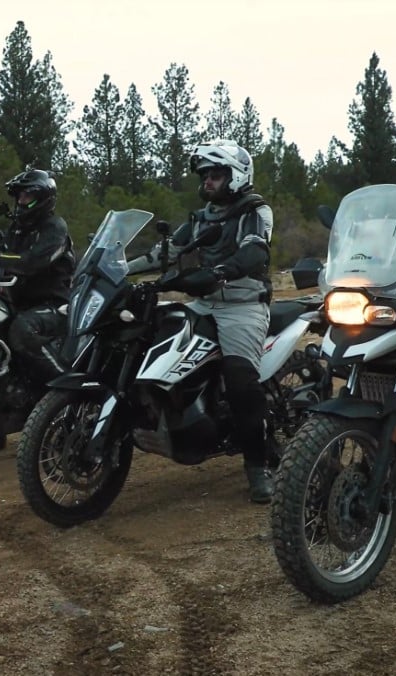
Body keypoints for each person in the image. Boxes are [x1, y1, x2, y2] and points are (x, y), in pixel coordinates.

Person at [129, 140, 276, 503]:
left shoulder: (255, 211)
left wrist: (220, 272)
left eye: (216, 175)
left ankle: (258, 466)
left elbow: (255, 250)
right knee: (149, 343)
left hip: (242, 306)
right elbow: (165, 252)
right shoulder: (200, 217)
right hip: (204, 303)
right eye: (205, 175)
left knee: (240, 380)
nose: (208, 182)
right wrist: (119, 268)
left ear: (237, 175)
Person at [0, 168, 75, 455]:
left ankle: (70, 395)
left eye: (27, 195)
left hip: (55, 306)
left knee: (22, 329)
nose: (21, 201)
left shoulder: (54, 228)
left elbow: (33, 262)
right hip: (19, 304)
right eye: (19, 195)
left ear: (42, 197)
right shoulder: (17, 229)